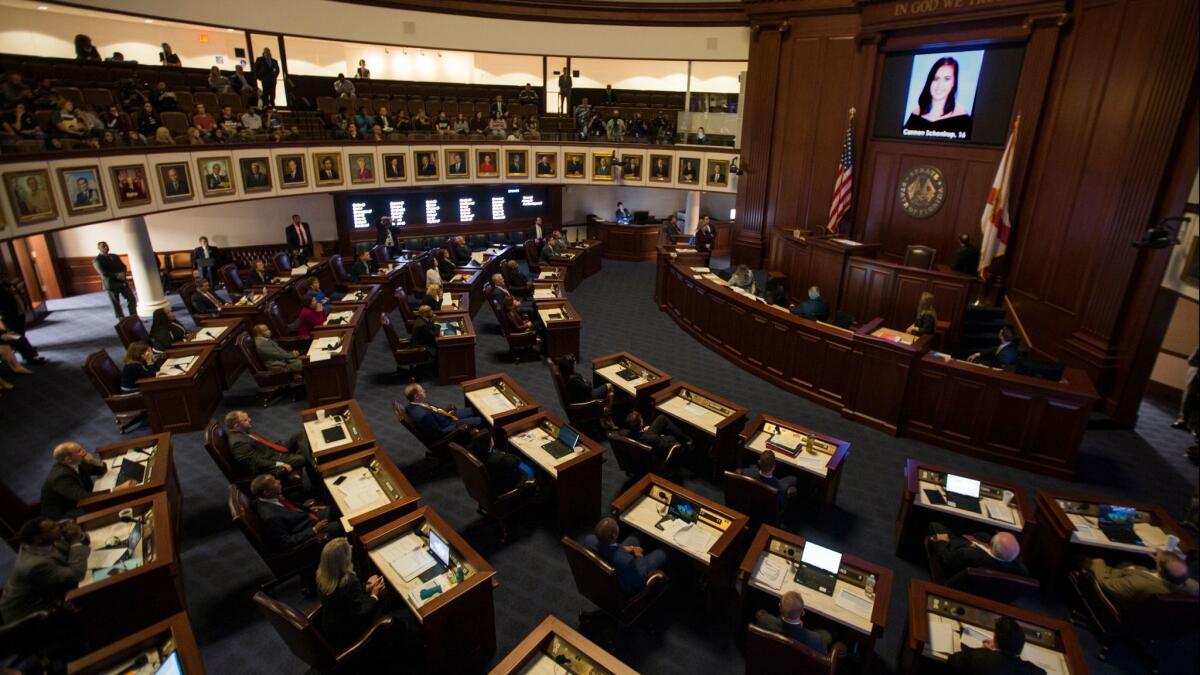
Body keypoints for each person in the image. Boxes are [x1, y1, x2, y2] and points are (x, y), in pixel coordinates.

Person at [0, 517, 88, 622]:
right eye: (52, 527)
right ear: (38, 538)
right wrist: (75, 541)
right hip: (29, 615)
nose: (59, 527)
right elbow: (76, 574)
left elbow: (75, 547)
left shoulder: (42, 542)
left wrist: (78, 535)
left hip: (50, 594)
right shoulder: (35, 565)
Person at [316, 537, 386, 649]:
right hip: (350, 632)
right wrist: (374, 594)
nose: (352, 546)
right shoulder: (349, 581)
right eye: (347, 547)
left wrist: (367, 587)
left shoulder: (322, 575)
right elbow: (361, 613)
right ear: (342, 560)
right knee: (384, 601)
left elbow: (345, 595)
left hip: (332, 628)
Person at [39, 442, 134, 519]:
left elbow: (101, 470)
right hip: (65, 512)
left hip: (80, 500)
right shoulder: (61, 477)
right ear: (68, 459)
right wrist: (115, 490)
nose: (84, 452)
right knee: (111, 503)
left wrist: (94, 461)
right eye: (79, 451)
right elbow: (84, 498)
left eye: (82, 448)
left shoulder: (76, 461)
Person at [1080, 549, 1198, 609]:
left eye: (1158, 562)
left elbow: (1106, 584)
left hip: (1119, 598)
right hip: (1157, 618)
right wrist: (1162, 559)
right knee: (1126, 561)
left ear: (1161, 570)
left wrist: (1099, 564)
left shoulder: (1138, 583)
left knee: (1082, 558)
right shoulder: (1193, 588)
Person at [250, 474, 338, 552]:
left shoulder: (270, 498)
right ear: (267, 493)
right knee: (340, 525)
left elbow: (290, 510)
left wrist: (308, 509)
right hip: (307, 529)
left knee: (336, 508)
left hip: (307, 517)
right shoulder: (271, 517)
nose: (279, 481)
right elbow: (285, 542)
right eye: (274, 483)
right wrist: (314, 530)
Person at [583, 517, 667, 595]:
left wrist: (621, 547)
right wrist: (639, 556)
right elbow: (640, 579)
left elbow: (608, 546)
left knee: (635, 537)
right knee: (662, 553)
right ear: (614, 535)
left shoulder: (589, 540)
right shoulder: (627, 561)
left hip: (607, 568)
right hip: (624, 585)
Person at [225, 409, 315, 481]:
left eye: (248, 417)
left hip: (271, 448)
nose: (250, 420)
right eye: (245, 420)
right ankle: (315, 478)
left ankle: (310, 459)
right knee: (302, 458)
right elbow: (255, 462)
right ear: (236, 426)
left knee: (299, 435)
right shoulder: (238, 443)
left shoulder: (242, 431)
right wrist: (279, 464)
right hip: (271, 458)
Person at [926, 522, 1028, 579]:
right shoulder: (1020, 570)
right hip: (968, 547)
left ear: (991, 545)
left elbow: (945, 558)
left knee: (935, 526)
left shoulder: (968, 555)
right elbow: (982, 536)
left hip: (953, 552)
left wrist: (941, 541)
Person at [946, 617, 1044, 674]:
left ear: (995, 638)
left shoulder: (979, 657)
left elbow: (953, 660)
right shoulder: (1025, 668)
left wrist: (983, 650)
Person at [904, 57, 973, 137]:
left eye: (947, 79)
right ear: (930, 81)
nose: (940, 85)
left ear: (953, 83)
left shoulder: (962, 117)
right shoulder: (916, 114)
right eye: (936, 78)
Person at [754, 591, 833, 655]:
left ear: (780, 608)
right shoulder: (816, 640)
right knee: (827, 634)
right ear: (802, 612)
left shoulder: (763, 620)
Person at [404, 382, 485, 439]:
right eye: (421, 390)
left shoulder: (412, 405)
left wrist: (446, 413)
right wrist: (457, 428)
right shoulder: (424, 415)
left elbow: (434, 412)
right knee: (481, 420)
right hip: (449, 425)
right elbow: (439, 433)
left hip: (446, 416)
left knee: (476, 409)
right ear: (416, 396)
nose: (424, 390)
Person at [468, 429, 533, 494]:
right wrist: (503, 454)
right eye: (491, 438)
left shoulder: (474, 453)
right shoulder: (499, 460)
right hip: (505, 488)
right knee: (531, 467)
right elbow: (517, 460)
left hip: (491, 483)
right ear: (489, 443)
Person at [557, 355, 615, 428]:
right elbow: (589, 388)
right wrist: (587, 383)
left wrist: (585, 382)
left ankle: (607, 412)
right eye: (574, 363)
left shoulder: (565, 375)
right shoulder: (574, 380)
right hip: (586, 398)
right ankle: (607, 415)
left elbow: (584, 384)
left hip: (580, 395)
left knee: (611, 394)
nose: (575, 364)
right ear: (571, 366)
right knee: (609, 386)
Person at [0, 275, 45, 365]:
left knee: (20, 333)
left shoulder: (5, 283)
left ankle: (25, 349)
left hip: (18, 311)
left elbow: (14, 292)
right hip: (8, 314)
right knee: (17, 335)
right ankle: (30, 356)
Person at [622, 411, 689, 467]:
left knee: (661, 418)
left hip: (641, 442)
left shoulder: (624, 434)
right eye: (641, 418)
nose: (642, 419)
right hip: (653, 458)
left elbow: (639, 435)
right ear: (641, 423)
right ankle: (688, 441)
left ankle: (686, 438)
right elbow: (666, 447)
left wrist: (642, 431)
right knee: (673, 437)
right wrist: (668, 437)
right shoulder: (653, 439)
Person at [93, 242, 136, 319]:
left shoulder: (115, 256)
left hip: (122, 282)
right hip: (111, 284)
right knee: (116, 303)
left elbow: (123, 266)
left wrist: (123, 273)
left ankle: (133, 316)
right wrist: (117, 275)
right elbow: (103, 272)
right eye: (103, 246)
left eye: (106, 246)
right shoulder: (97, 260)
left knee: (132, 299)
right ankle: (121, 318)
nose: (106, 247)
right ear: (99, 248)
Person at [1172, 346, 1199, 430]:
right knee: (1188, 399)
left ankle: (1195, 426)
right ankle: (1183, 420)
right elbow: (1191, 360)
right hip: (1196, 377)